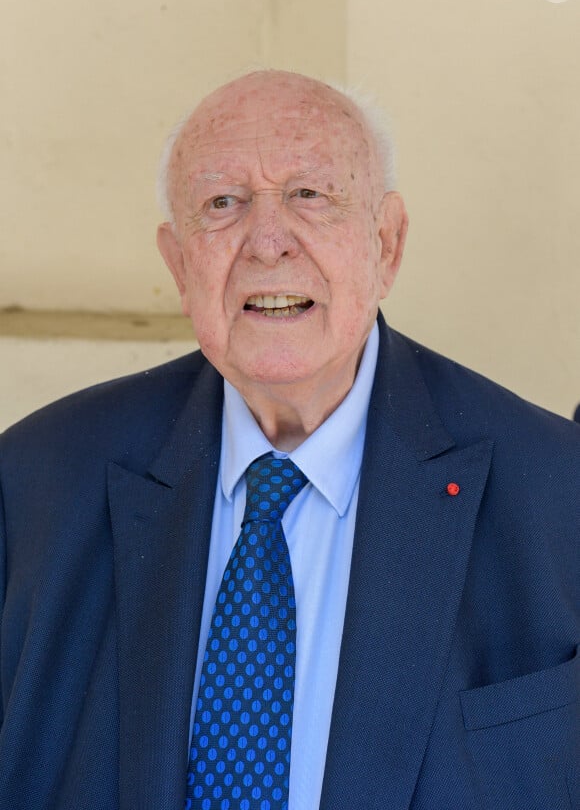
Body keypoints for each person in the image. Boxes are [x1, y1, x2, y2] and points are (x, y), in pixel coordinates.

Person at [0, 70, 578, 810]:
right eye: (222, 203)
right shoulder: (37, 481)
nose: (268, 242)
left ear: (388, 243)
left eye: (310, 195)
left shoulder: (559, 490)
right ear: (179, 266)